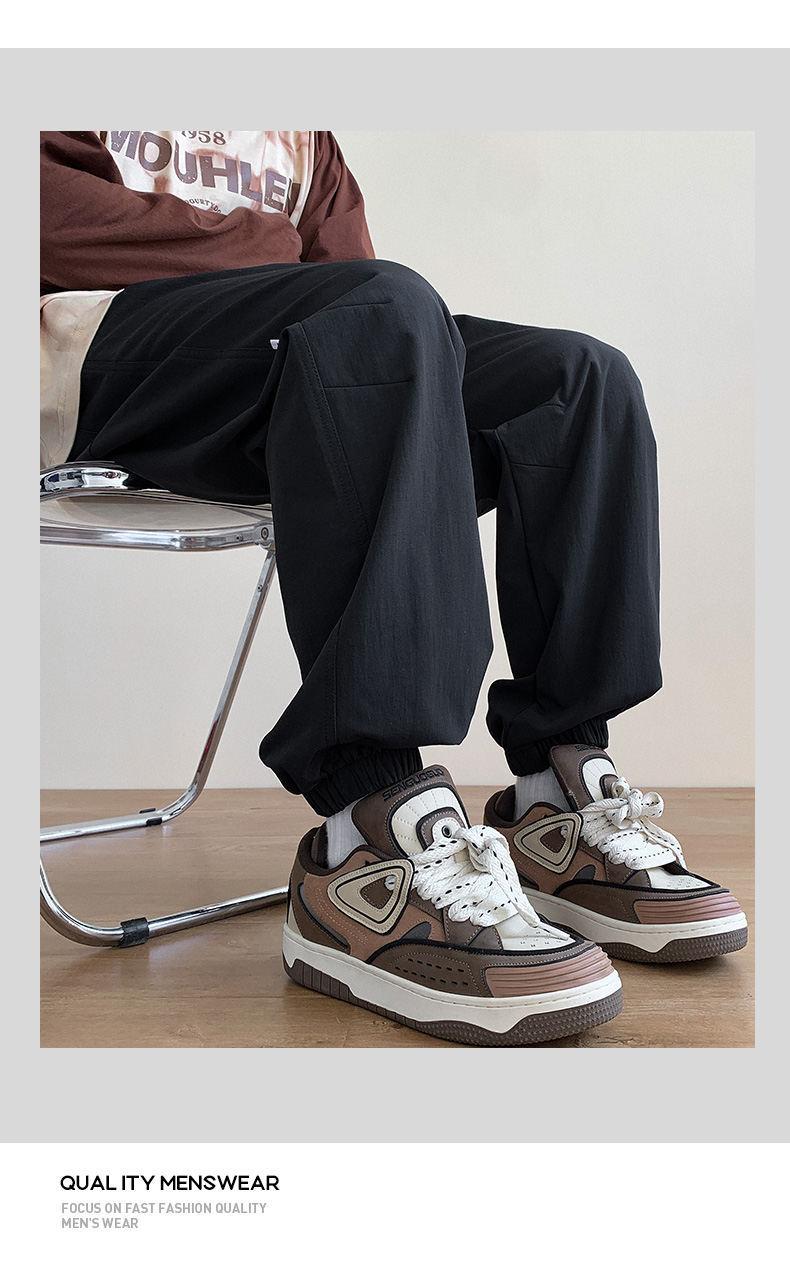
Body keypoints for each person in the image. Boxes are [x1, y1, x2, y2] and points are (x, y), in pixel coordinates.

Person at [40, 130, 747, 1047]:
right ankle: (362, 834)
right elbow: (53, 225)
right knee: (381, 315)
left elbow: (354, 293)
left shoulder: (301, 135)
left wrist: (264, 263)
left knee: (577, 381)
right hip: (99, 371)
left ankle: (556, 793)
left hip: (267, 375)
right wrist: (271, 247)